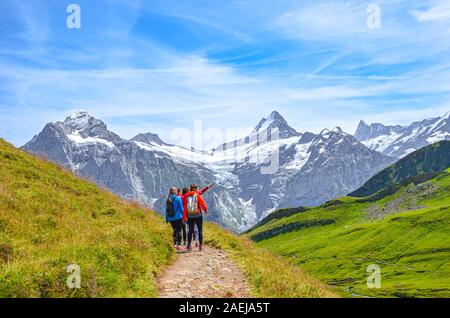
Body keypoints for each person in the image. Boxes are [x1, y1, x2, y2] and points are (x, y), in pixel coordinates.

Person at [183, 184, 208, 251]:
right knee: (200, 230)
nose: (197, 189)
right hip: (198, 215)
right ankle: (200, 246)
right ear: (194, 189)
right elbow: (203, 204)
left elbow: (185, 207)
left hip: (190, 215)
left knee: (190, 231)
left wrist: (185, 216)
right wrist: (205, 210)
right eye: (197, 188)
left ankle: (189, 246)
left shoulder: (186, 196)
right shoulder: (197, 196)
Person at [165, 187, 184, 251]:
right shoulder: (178, 198)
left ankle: (175, 243)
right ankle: (179, 245)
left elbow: (167, 210)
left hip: (171, 218)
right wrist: (184, 216)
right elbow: (181, 209)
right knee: (179, 230)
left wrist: (167, 218)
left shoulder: (168, 199)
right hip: (178, 217)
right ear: (175, 191)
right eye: (176, 190)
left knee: (174, 230)